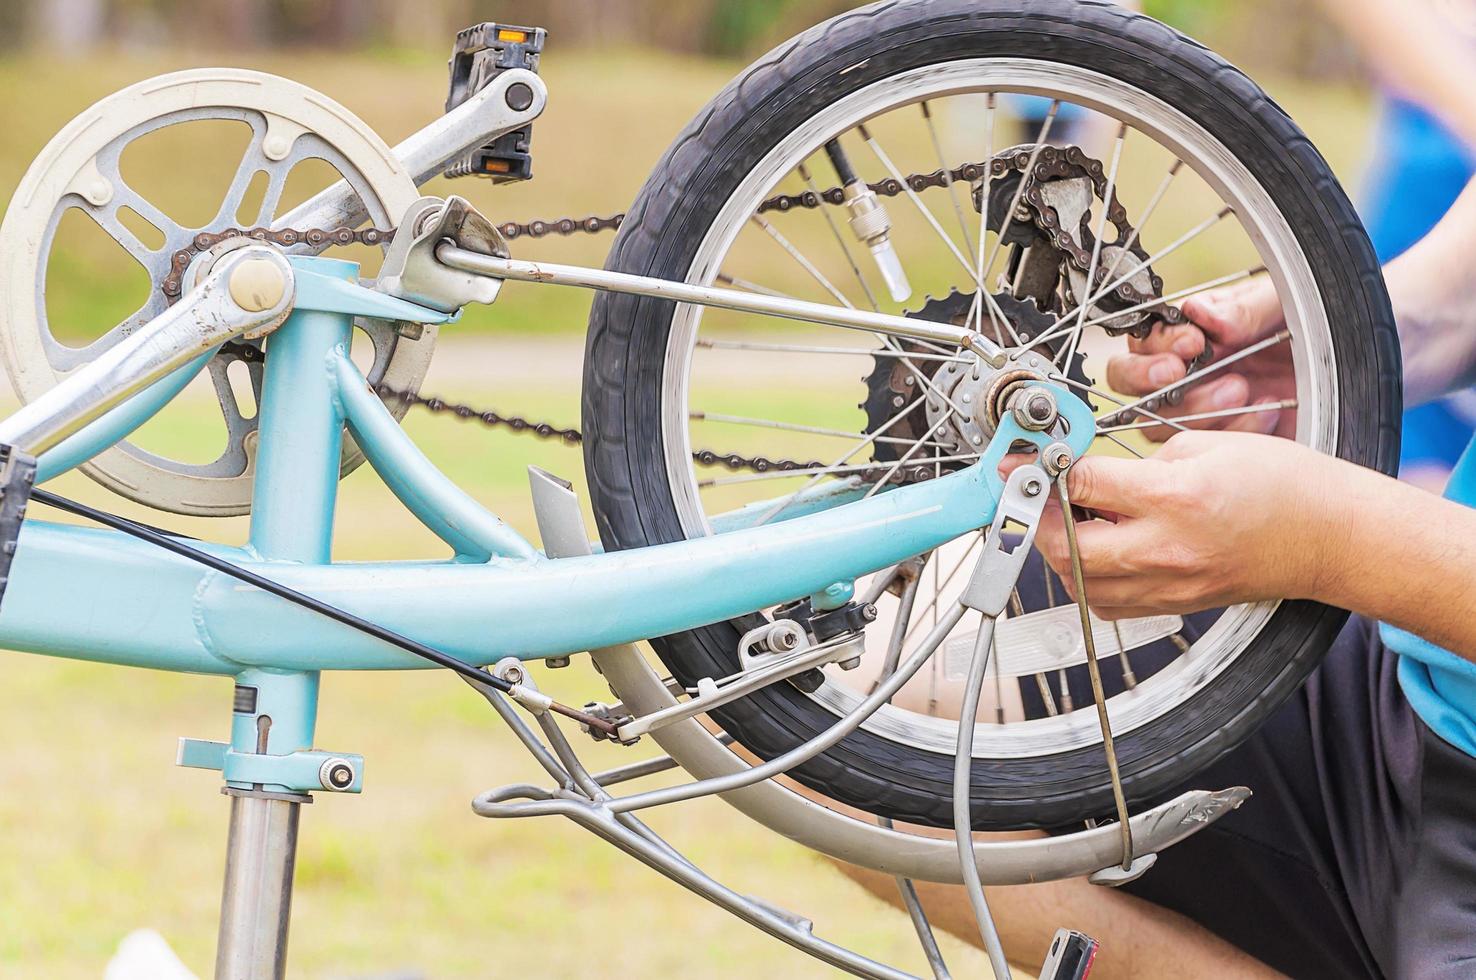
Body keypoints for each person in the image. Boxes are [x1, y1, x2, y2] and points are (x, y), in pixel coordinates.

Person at [839, 141, 1476, 980]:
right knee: (829, 686)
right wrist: (1321, 351)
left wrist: (1333, 536)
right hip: (1409, 679)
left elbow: (1339, 536)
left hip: (1398, 589)